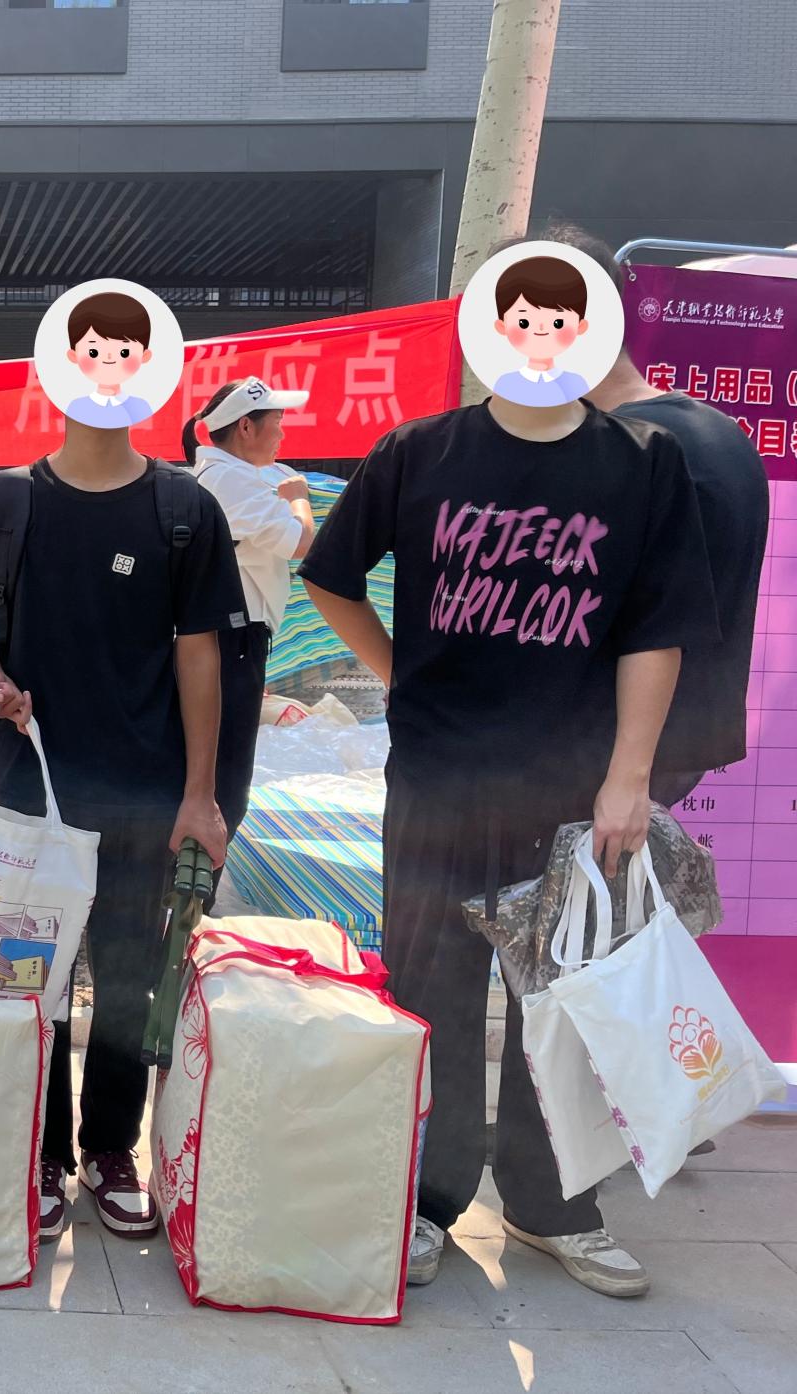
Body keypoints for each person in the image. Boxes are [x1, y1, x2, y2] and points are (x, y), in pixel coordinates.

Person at [299, 346, 718, 1297]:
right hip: (439, 780)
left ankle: (554, 1205)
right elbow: (331, 573)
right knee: (430, 991)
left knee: (564, 1003)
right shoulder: (418, 451)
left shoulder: (642, 460)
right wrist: (399, 672)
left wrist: (630, 776)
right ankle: (426, 1198)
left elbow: (659, 630)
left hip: (573, 788)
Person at [0, 392, 243, 1242]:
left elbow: (201, 653)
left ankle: (111, 1150)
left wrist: (199, 793)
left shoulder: (183, 508)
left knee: (126, 978)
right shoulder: (7, 501)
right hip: (29, 788)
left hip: (142, 792)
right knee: (30, 980)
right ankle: (42, 1152)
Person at [547, 224, 771, 806]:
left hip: (600, 754)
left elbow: (632, 617)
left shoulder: (614, 449)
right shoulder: (723, 434)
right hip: (678, 744)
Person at [182, 375, 316, 852]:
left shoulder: (220, 475)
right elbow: (301, 542)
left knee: (215, 769)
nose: (282, 433)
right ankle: (193, 884)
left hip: (223, 637)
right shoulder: (231, 480)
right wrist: (299, 498)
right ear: (245, 427)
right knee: (226, 780)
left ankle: (186, 880)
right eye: (276, 422)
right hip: (231, 640)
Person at [489, 255, 594, 406]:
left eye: (558, 323)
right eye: (524, 323)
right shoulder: (506, 383)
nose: (541, 329)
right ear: (502, 326)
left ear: (580, 326)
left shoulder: (576, 383)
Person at [62, 291, 157, 429]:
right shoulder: (77, 407)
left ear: (144, 356)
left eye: (124, 352)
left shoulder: (141, 407)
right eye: (93, 352)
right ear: (73, 356)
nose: (109, 358)